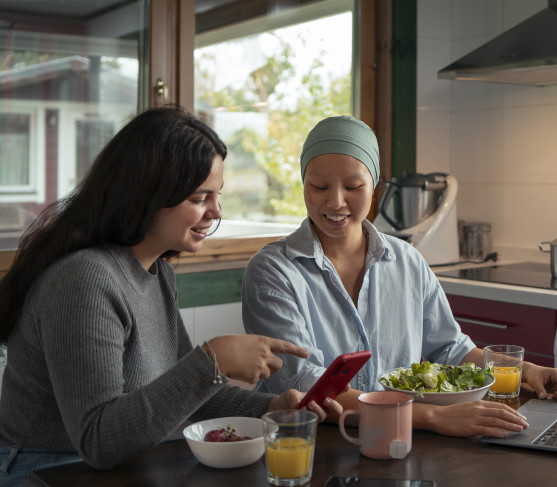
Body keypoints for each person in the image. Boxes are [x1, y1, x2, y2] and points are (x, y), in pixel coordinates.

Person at [0, 106, 341, 486]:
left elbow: (188, 392)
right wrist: (213, 359)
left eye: (217, 196)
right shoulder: (83, 279)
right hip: (45, 471)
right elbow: (98, 441)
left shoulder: (157, 271)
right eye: (200, 198)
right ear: (146, 194)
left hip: (122, 468)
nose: (215, 211)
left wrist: (272, 408)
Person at [242, 115, 557, 438]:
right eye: (318, 186)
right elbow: (307, 386)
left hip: (398, 440)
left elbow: (449, 348)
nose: (335, 201)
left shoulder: (406, 260)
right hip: (313, 443)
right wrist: (435, 417)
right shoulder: (274, 270)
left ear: (374, 186)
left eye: (353, 186)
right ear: (303, 183)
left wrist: (526, 371)